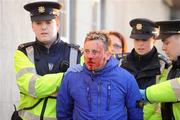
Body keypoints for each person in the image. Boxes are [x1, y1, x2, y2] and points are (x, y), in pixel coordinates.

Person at [13, 1, 81, 119]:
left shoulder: (77, 53)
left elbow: (81, 90)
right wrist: (66, 77)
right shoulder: (22, 53)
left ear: (58, 24)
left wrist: (47, 84)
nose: (43, 27)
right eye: (38, 23)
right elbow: (33, 87)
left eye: (49, 22)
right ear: (32, 26)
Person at [56, 31, 143, 120]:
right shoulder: (71, 78)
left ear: (108, 55)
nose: (89, 56)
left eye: (94, 52)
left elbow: (136, 114)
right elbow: (63, 113)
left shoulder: (126, 79)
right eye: (86, 51)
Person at [121, 18, 170, 120]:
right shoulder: (121, 62)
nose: (140, 44)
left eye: (144, 39)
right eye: (136, 39)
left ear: (154, 39)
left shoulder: (164, 66)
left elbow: (162, 104)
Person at [141, 20, 180, 120]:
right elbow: (162, 110)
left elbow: (177, 87)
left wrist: (147, 94)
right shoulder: (172, 68)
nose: (163, 48)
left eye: (167, 42)